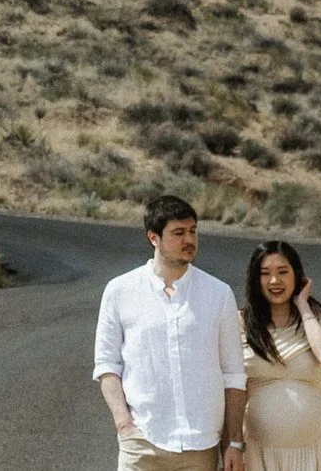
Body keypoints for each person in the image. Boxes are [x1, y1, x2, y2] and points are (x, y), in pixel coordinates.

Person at [94, 194, 248, 470]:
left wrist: (233, 442)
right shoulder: (119, 291)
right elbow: (107, 365)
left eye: (193, 231)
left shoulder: (219, 294)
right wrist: (123, 423)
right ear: (154, 238)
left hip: (199, 444)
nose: (189, 240)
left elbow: (234, 375)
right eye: (178, 233)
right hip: (141, 442)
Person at [240, 240, 321, 471]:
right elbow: (233, 390)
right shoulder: (242, 323)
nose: (274, 281)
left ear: (297, 275)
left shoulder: (317, 319)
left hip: (313, 453)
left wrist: (303, 305)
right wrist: (234, 443)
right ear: (256, 280)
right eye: (265, 273)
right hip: (258, 454)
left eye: (283, 272)